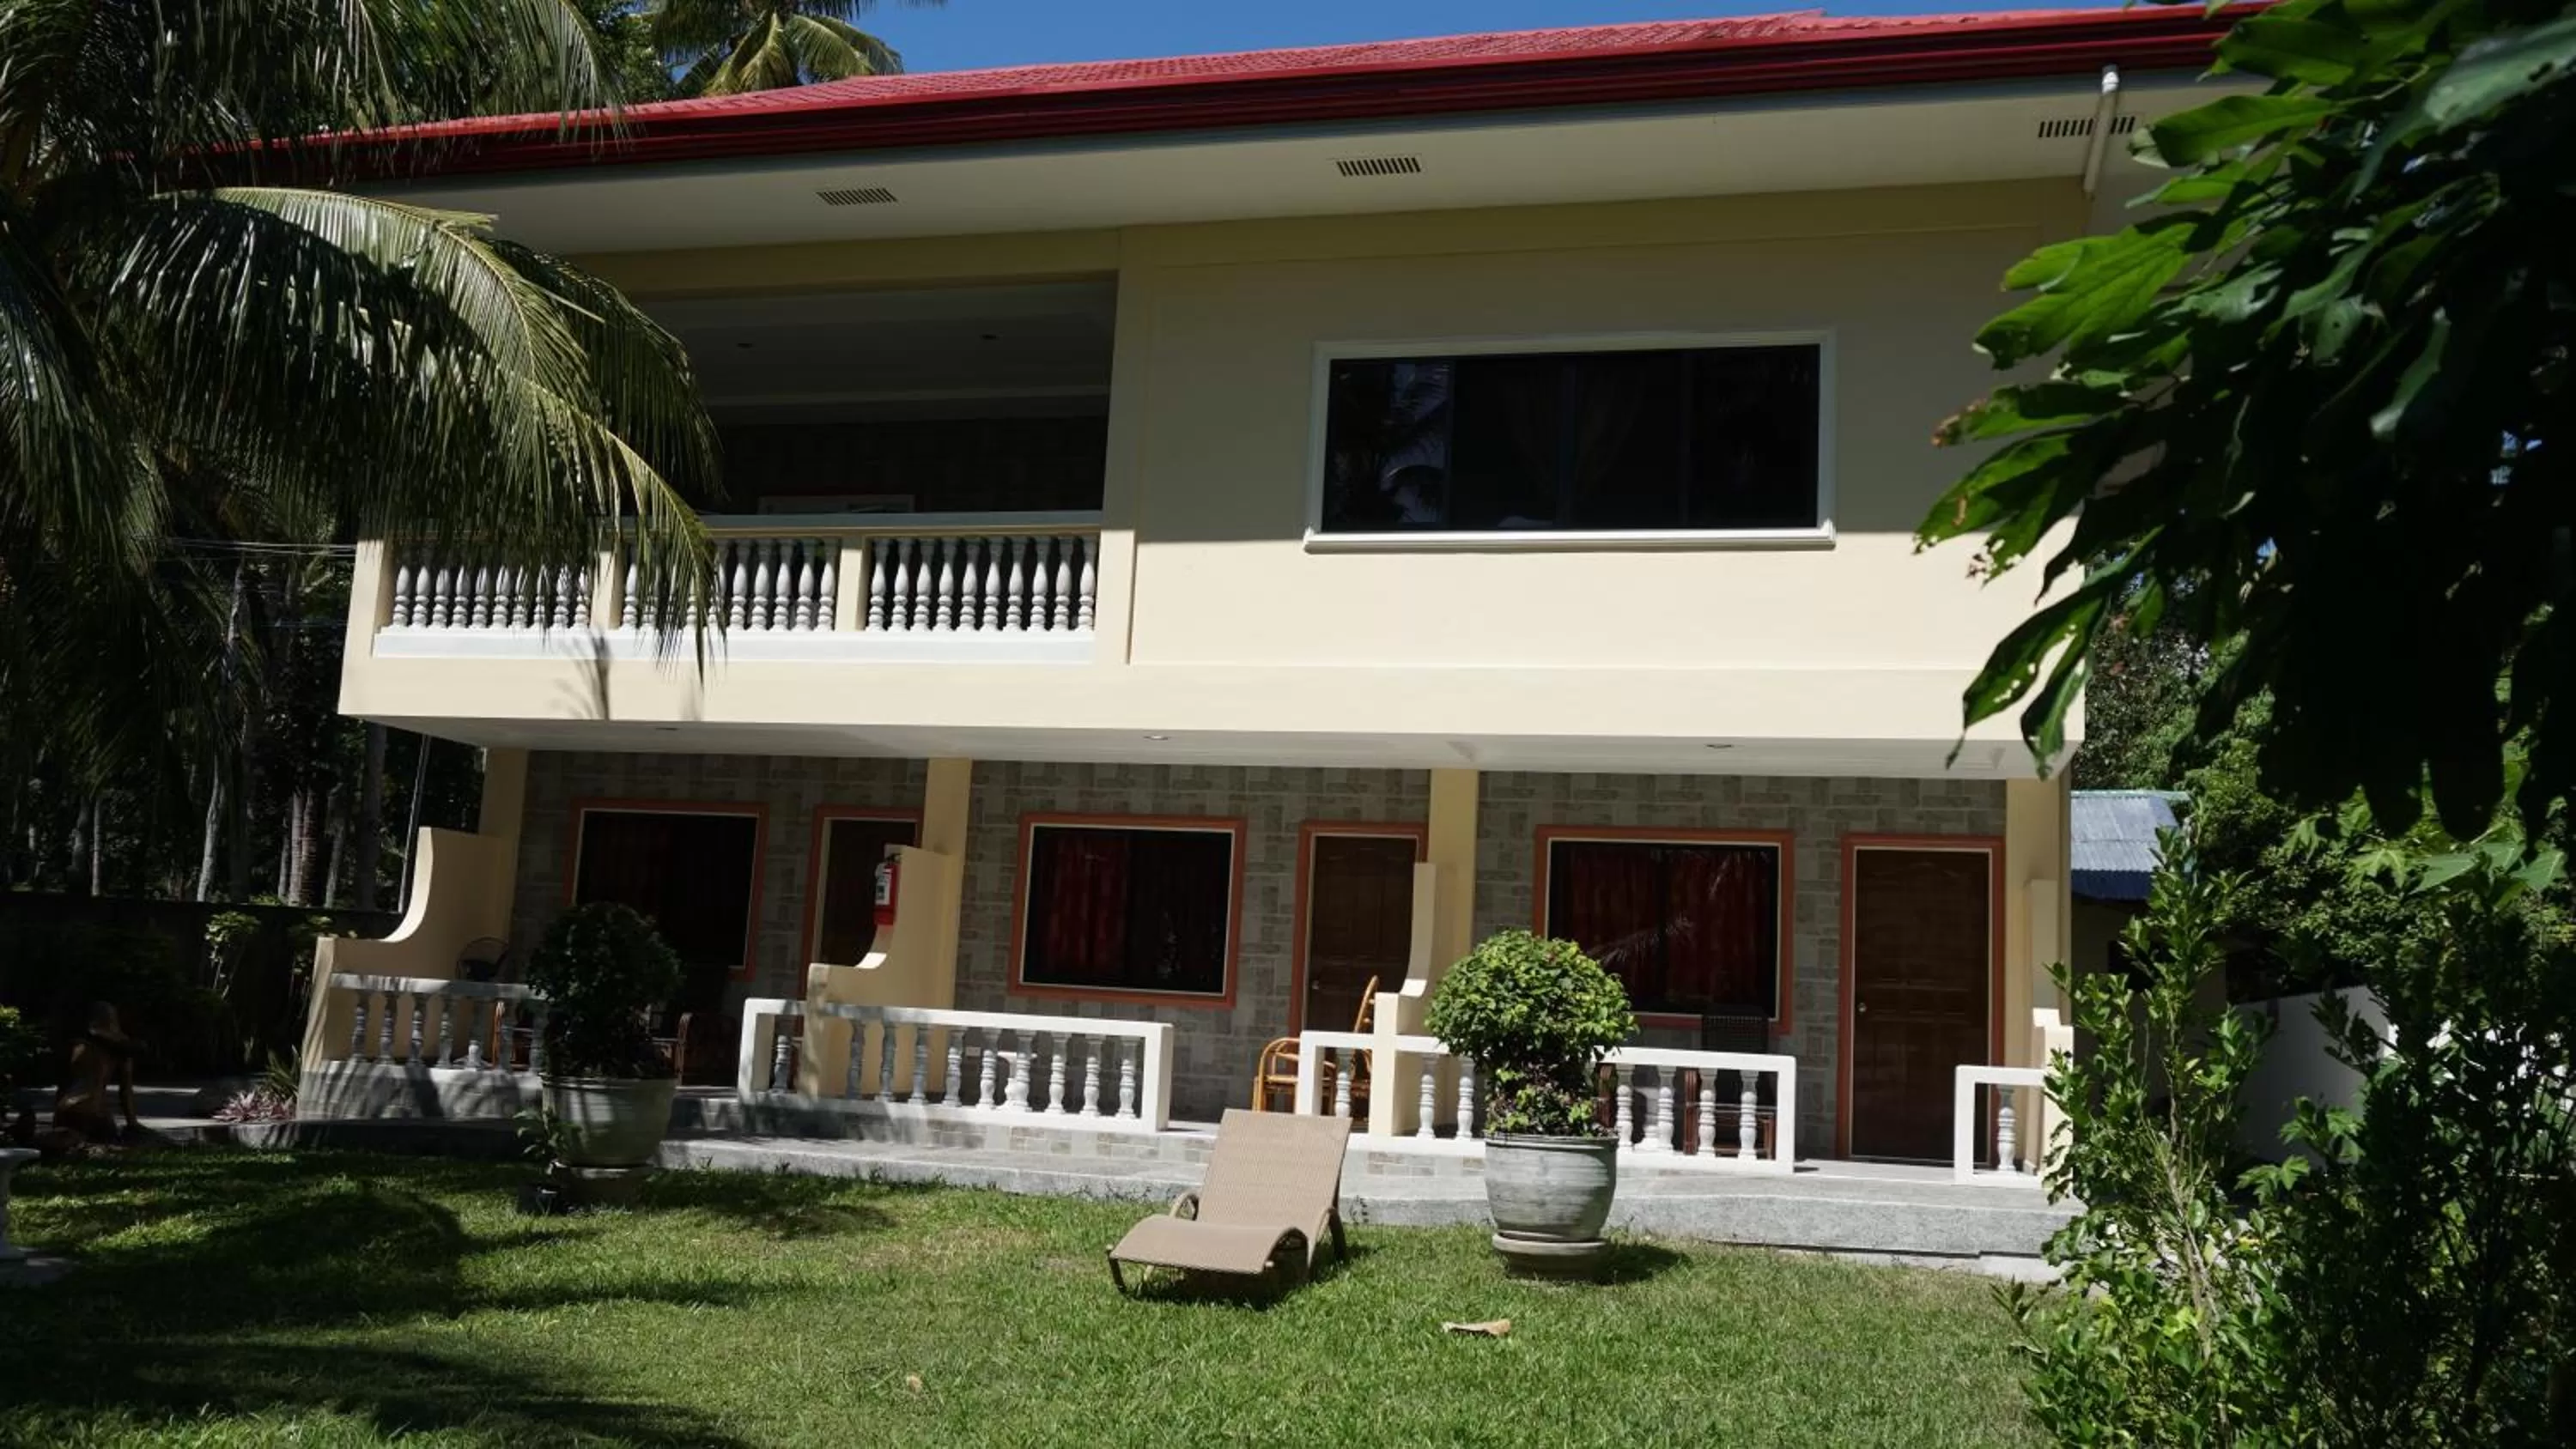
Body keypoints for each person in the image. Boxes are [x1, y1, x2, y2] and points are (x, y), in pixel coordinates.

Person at [38, 1003, 143, 1155]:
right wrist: (133, 1123)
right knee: (111, 1146)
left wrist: (58, 1115)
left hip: (66, 1107)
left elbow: (63, 1085)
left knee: (69, 1144)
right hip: (93, 1110)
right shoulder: (123, 1047)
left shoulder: (77, 1044)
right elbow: (125, 1091)